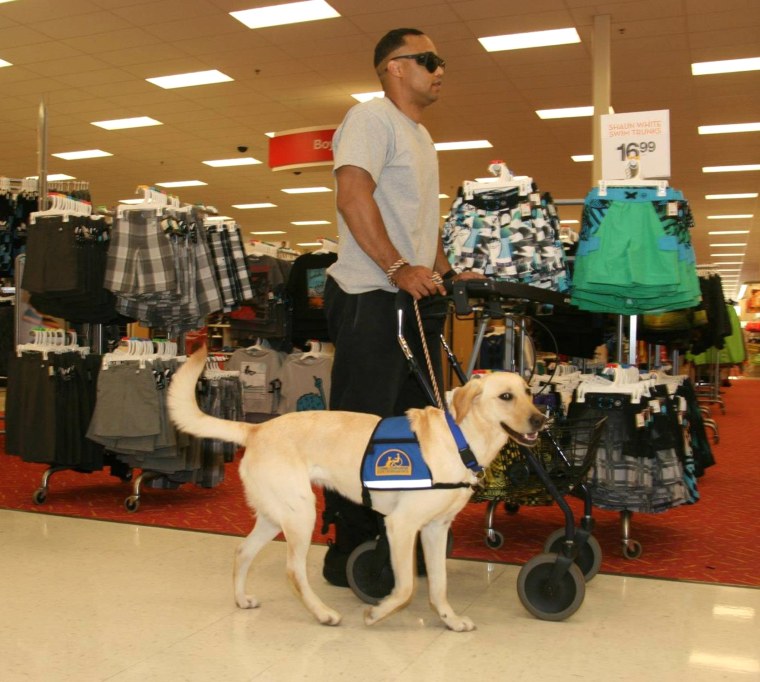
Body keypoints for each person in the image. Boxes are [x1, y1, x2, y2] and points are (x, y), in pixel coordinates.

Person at [321, 27, 482, 587]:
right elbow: (353, 195)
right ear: (394, 67)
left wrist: (446, 273)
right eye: (429, 59)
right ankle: (347, 548)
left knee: (413, 428)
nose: (440, 69)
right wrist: (396, 267)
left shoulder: (419, 134)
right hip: (372, 296)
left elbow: (421, 224)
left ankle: (398, 534)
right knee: (361, 427)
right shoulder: (371, 119)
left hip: (411, 302)